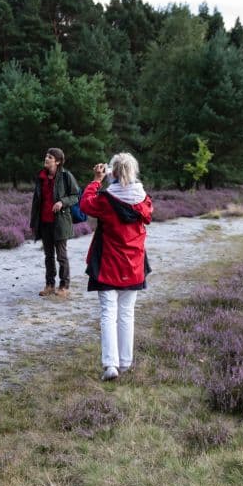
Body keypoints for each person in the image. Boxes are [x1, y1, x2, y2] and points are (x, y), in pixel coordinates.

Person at [79, 153, 153, 381]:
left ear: (113, 172)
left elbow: (84, 205)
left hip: (107, 265)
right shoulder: (143, 199)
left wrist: (96, 180)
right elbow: (148, 215)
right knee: (126, 314)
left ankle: (110, 365)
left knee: (108, 314)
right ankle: (126, 362)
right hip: (133, 265)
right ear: (133, 171)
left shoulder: (105, 199)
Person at [29, 147, 80, 298]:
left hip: (61, 222)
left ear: (57, 161)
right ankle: (50, 285)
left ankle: (64, 286)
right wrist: (33, 223)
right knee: (48, 256)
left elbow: (76, 195)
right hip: (44, 222)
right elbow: (36, 202)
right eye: (46, 156)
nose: (46, 158)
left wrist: (62, 202)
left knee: (61, 256)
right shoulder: (41, 176)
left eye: (50, 157)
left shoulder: (66, 176)